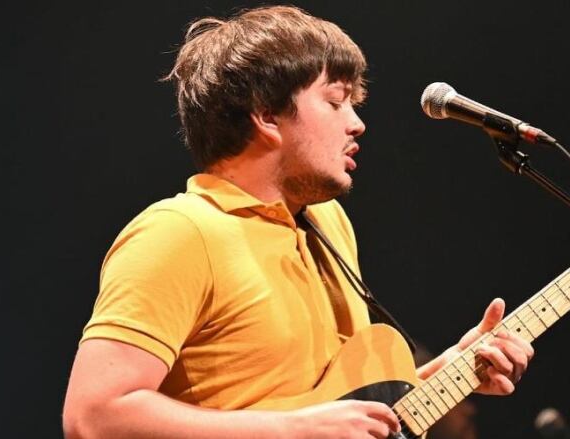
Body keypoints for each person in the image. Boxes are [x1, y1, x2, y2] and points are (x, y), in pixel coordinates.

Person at [62, 6, 534, 439]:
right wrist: (290, 430)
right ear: (266, 114)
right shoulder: (180, 232)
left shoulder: (329, 223)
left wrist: (452, 370)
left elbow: (334, 406)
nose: (356, 124)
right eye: (335, 101)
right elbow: (94, 414)